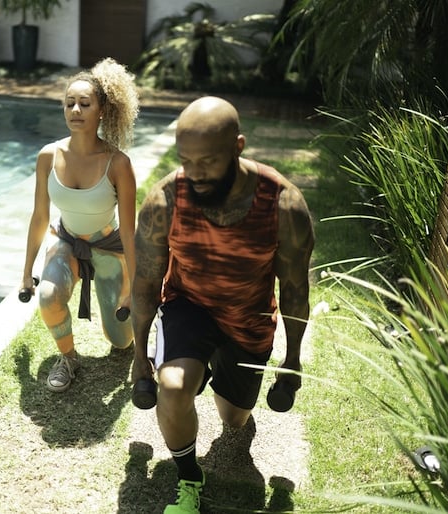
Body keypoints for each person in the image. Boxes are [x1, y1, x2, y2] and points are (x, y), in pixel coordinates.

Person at [130, 96, 314, 513]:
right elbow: (145, 282)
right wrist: (139, 356)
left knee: (234, 421)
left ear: (239, 146)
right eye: (186, 161)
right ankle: (189, 477)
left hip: (248, 319)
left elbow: (296, 288)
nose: (195, 174)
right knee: (174, 389)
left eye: (208, 162)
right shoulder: (166, 201)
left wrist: (293, 358)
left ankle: (215, 375)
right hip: (188, 306)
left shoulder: (283, 205)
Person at [20, 58, 140, 392]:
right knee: (49, 295)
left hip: (108, 245)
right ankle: (69, 358)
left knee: (119, 340)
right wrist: (26, 271)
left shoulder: (119, 164)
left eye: (84, 104)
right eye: (69, 103)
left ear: (102, 111)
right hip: (66, 239)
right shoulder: (48, 155)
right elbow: (40, 217)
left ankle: (127, 335)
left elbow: (129, 231)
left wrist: (133, 288)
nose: (75, 109)